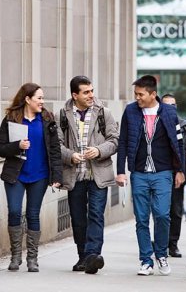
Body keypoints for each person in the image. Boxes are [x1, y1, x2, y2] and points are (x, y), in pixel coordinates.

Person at [116, 75, 186, 276]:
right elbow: (122, 142)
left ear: (153, 94)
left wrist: (180, 170)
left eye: (141, 94)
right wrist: (121, 171)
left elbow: (178, 143)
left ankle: (161, 255)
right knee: (141, 219)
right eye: (135, 94)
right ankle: (146, 260)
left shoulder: (169, 113)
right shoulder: (130, 111)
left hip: (163, 172)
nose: (137, 98)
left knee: (163, 215)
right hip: (139, 172)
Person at [0, 83, 63, 273]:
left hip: (39, 175)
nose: (42, 102)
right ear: (27, 99)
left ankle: (32, 259)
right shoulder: (11, 119)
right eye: (39, 98)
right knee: (15, 212)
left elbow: (55, 150)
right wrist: (17, 145)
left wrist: (56, 176)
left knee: (33, 214)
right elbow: (0, 148)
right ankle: (15, 256)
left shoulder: (47, 119)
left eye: (42, 98)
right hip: (16, 175)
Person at [58, 76, 119, 274]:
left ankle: (93, 255)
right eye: (86, 92)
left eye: (92, 91)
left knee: (95, 215)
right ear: (75, 95)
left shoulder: (104, 113)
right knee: (77, 218)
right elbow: (55, 145)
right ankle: (82, 257)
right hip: (74, 174)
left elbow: (115, 140)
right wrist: (70, 155)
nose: (91, 95)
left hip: (97, 174)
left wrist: (99, 150)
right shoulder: (62, 115)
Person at [161, 93, 186, 259]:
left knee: (176, 210)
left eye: (173, 105)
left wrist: (183, 172)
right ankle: (161, 243)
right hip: (159, 173)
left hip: (177, 174)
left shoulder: (184, 126)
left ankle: (173, 244)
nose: (170, 108)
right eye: (166, 105)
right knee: (160, 211)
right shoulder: (156, 123)